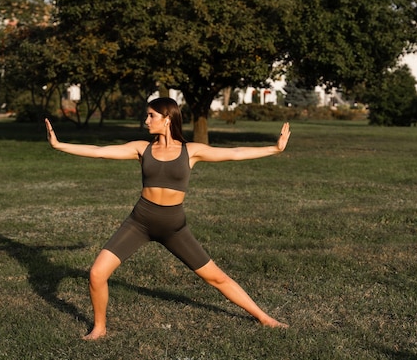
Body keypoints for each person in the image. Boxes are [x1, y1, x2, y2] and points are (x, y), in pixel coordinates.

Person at [45, 97, 291, 340]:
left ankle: (264, 318)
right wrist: (60, 145)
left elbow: (235, 153)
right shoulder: (142, 148)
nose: (146, 120)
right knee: (97, 273)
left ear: (167, 119)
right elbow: (99, 151)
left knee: (216, 277)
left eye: (151, 115)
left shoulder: (191, 151)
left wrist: (275, 148)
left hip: (174, 227)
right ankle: (99, 327)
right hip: (140, 221)